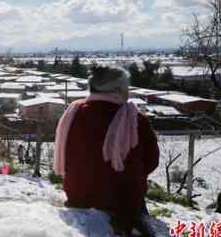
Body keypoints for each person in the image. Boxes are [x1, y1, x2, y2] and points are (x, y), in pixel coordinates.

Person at [54, 66, 159, 237]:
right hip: (123, 202)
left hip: (77, 196)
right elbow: (152, 160)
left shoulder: (73, 114)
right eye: (126, 88)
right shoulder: (135, 119)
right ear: (118, 90)